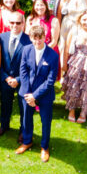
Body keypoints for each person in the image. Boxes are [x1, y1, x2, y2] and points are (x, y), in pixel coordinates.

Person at [16, 25, 60, 162]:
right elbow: (23, 72)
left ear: (44, 38)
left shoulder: (53, 55)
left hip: (44, 94)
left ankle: (44, 147)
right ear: (31, 38)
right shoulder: (26, 50)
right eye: (34, 39)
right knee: (26, 119)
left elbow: (51, 80)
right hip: (27, 92)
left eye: (40, 38)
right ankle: (27, 141)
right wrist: (28, 94)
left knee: (46, 121)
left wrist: (35, 96)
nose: (37, 42)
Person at [62, 10, 87, 123]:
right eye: (84, 19)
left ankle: (84, 112)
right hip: (76, 63)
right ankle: (72, 110)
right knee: (73, 86)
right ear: (80, 20)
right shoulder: (74, 31)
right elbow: (66, 49)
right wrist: (64, 64)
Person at [0, 13, 30, 138]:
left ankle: (23, 130)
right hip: (6, 78)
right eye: (12, 22)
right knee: (5, 104)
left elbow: (30, 65)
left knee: (23, 107)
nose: (15, 25)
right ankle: (4, 126)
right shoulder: (2, 37)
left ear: (23, 23)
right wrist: (5, 77)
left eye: (18, 23)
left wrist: (18, 79)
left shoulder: (28, 40)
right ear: (8, 23)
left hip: (22, 80)